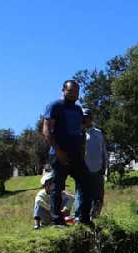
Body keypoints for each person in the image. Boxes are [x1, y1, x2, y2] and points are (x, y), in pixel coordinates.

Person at [41, 80, 93, 226]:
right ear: (63, 90)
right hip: (59, 153)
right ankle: (57, 220)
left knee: (86, 183)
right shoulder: (54, 106)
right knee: (57, 186)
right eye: (70, 91)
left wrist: (82, 150)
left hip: (76, 153)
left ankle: (84, 218)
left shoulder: (78, 110)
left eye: (76, 92)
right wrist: (58, 151)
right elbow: (46, 130)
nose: (74, 94)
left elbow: (81, 131)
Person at [75, 109, 107, 220]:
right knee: (81, 194)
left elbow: (103, 151)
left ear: (91, 118)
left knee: (98, 195)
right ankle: (79, 217)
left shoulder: (99, 133)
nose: (85, 119)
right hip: (83, 169)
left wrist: (105, 166)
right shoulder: (77, 132)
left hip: (98, 168)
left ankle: (95, 217)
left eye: (88, 117)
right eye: (83, 117)